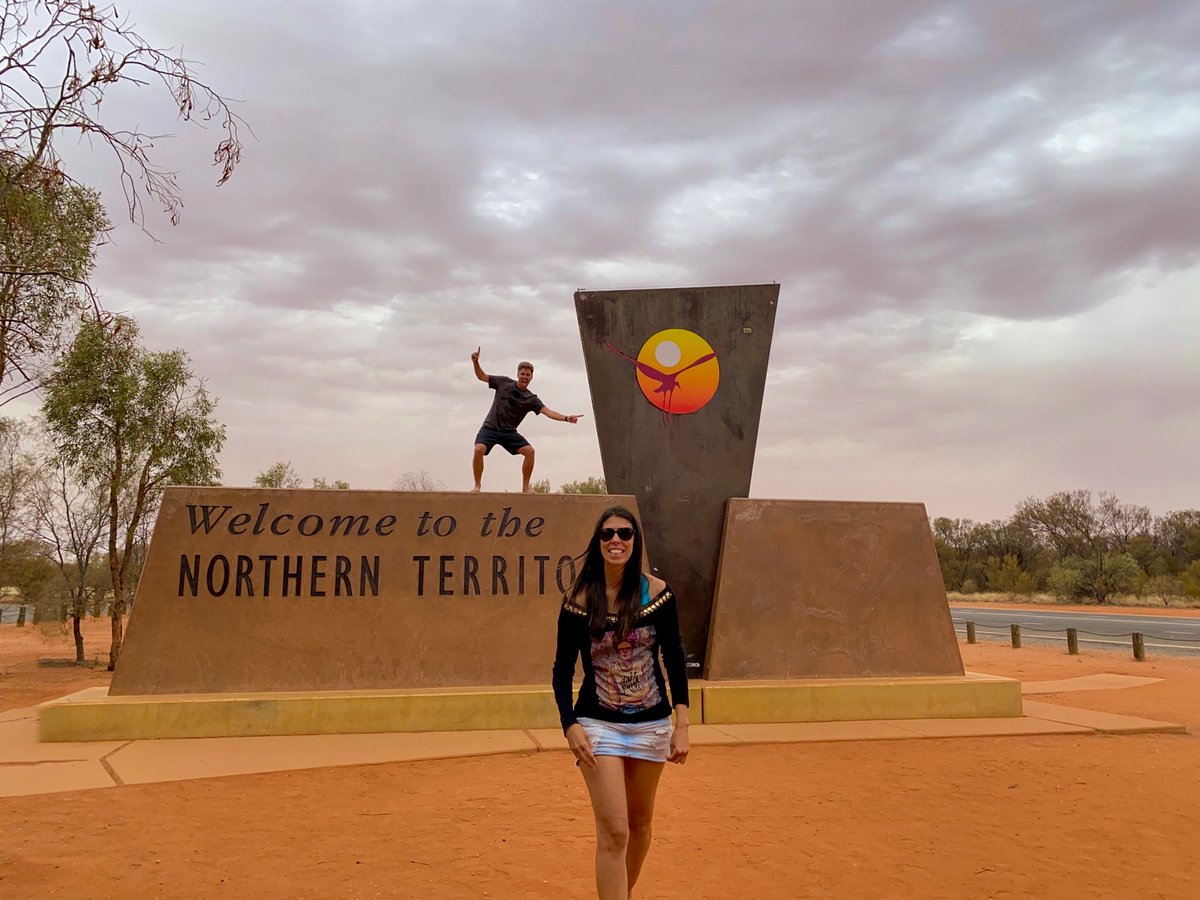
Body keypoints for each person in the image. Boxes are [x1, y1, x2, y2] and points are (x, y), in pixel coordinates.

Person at [552, 506, 690, 900]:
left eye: (625, 534)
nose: (617, 540)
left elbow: (675, 659)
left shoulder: (658, 594)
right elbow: (562, 671)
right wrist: (570, 724)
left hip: (652, 724)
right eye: (608, 534)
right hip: (599, 725)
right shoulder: (578, 601)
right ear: (598, 542)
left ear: (635, 541)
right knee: (615, 830)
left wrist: (682, 724)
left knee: (641, 824)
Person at [470, 347, 583, 492]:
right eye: (522, 374)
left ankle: (525, 488)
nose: (525, 377)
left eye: (527, 375)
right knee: (478, 450)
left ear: (531, 377)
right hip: (490, 428)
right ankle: (477, 485)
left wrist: (567, 418)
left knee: (530, 452)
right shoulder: (503, 382)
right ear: (517, 375)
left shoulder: (531, 399)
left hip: (509, 432)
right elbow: (481, 376)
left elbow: (548, 412)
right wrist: (475, 362)